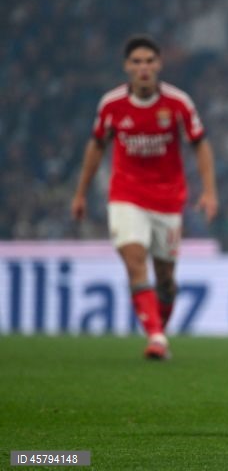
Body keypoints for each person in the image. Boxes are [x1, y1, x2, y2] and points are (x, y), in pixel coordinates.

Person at [71, 35, 218, 360]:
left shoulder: (178, 103)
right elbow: (96, 146)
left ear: (159, 65)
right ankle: (156, 336)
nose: (143, 67)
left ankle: (158, 331)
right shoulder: (111, 105)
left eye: (149, 61)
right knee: (135, 262)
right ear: (127, 67)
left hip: (167, 200)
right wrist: (81, 193)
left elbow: (200, 144)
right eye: (136, 62)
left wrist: (209, 192)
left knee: (166, 279)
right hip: (125, 195)